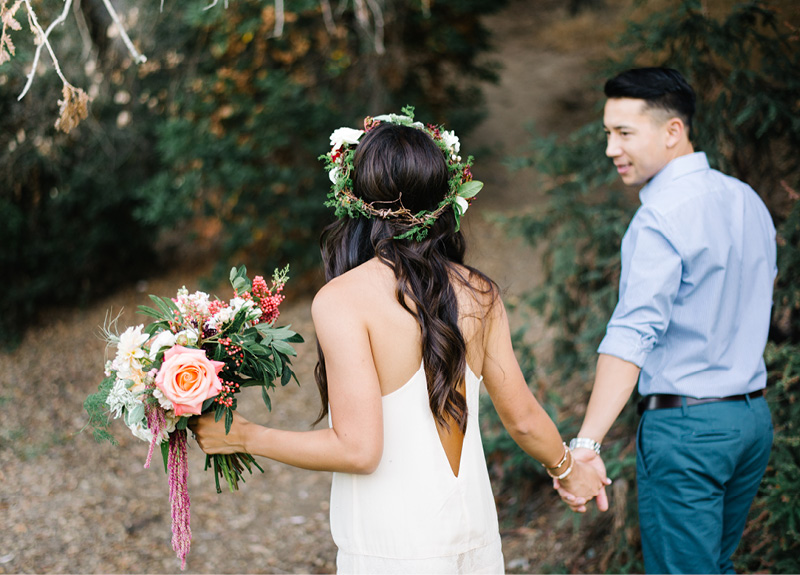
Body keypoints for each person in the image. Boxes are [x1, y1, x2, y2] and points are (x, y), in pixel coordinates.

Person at [190, 110, 608, 574]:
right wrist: (570, 470)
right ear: (445, 197)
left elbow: (358, 450)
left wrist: (245, 436)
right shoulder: (479, 292)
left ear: (354, 199)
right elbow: (525, 419)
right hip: (477, 546)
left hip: (394, 552)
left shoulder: (342, 300)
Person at [556, 68, 777, 574]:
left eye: (625, 133)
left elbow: (634, 332)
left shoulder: (659, 217)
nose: (611, 148)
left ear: (673, 131)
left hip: (687, 430)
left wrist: (585, 444)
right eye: (607, 133)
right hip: (750, 423)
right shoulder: (746, 199)